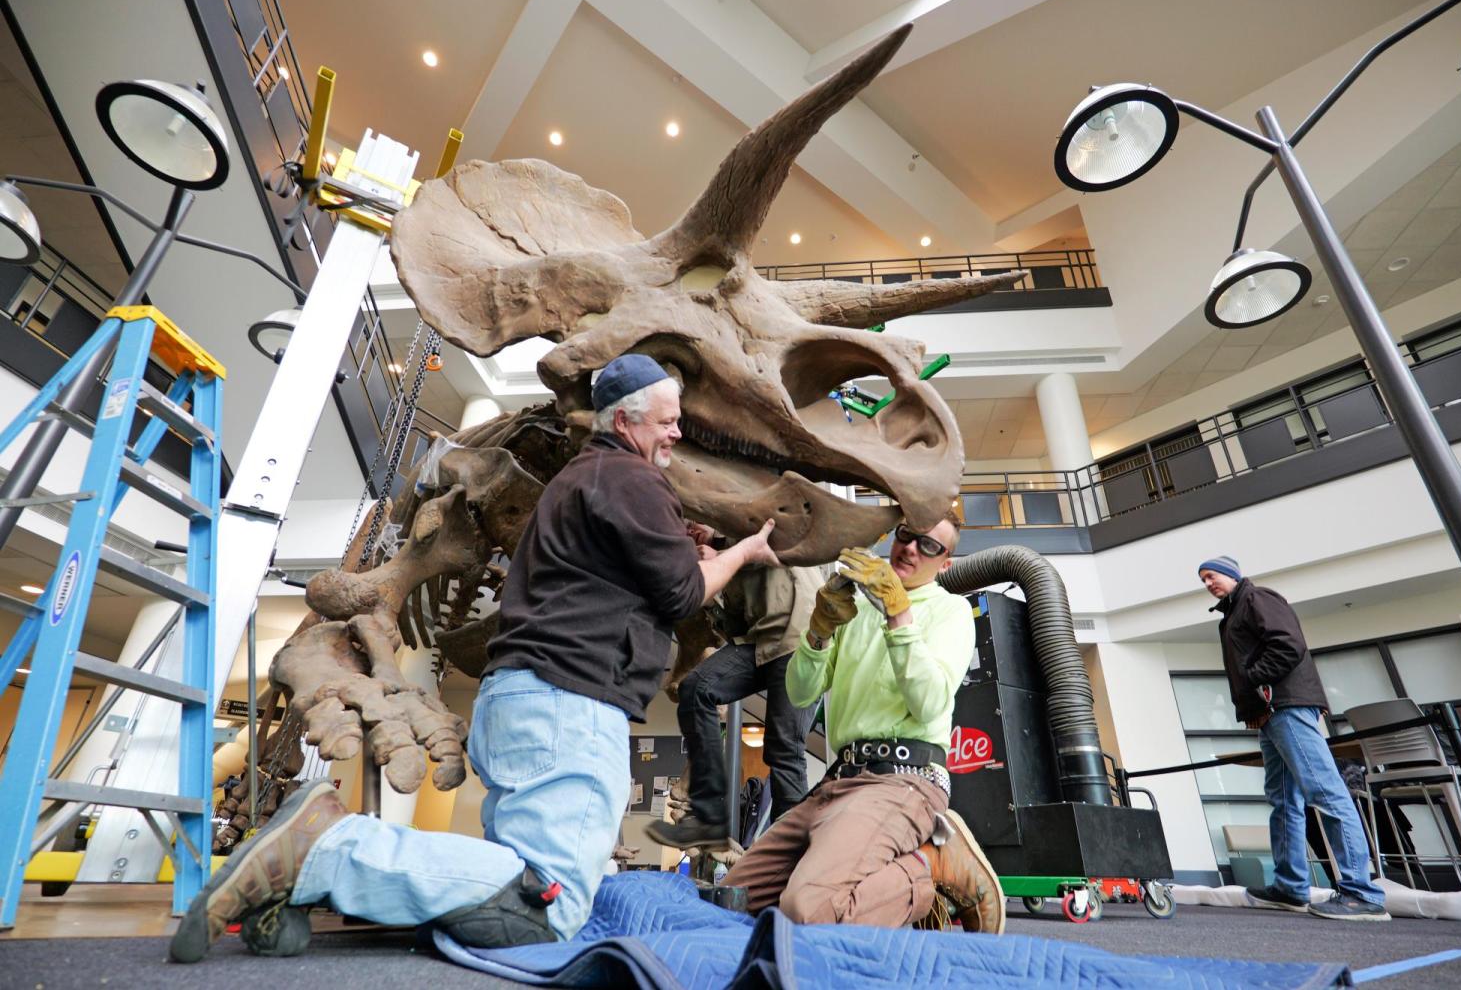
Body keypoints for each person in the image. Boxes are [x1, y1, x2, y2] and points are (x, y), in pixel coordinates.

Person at [171, 354, 780, 963]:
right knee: (550, 907)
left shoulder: (582, 480)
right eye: (668, 422)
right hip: (571, 704)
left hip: (522, 695)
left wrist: (677, 541)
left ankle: (294, 887)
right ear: (626, 422)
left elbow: (638, 569)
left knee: (510, 897)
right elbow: (681, 593)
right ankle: (330, 848)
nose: (678, 433)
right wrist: (744, 553)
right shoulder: (632, 480)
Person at [722, 516, 1006, 934]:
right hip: (838, 783)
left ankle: (931, 865)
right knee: (730, 902)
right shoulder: (856, 612)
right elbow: (801, 693)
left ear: (946, 564)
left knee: (808, 910)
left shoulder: (952, 612)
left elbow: (928, 704)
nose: (910, 548)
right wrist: (818, 632)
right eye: (907, 536)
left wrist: (898, 614)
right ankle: (892, 875)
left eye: (929, 546)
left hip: (904, 781)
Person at [1199, 555, 1389, 922]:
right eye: (1203, 579)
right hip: (1270, 714)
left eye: (1213, 575)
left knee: (1326, 792)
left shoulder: (1257, 599)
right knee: (1283, 799)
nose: (1208, 583)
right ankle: (1290, 887)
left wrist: (1256, 680)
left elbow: (1289, 644)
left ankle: (1362, 892)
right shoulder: (1233, 613)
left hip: (1287, 707)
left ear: (1232, 575)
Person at [645, 546, 824, 851]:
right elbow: (735, 624)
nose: (693, 530)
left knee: (783, 750)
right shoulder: (725, 548)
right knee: (697, 687)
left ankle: (791, 854)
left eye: (695, 524)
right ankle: (707, 817)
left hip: (798, 638)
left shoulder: (753, 527)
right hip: (760, 642)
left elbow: (775, 540)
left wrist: (727, 553)